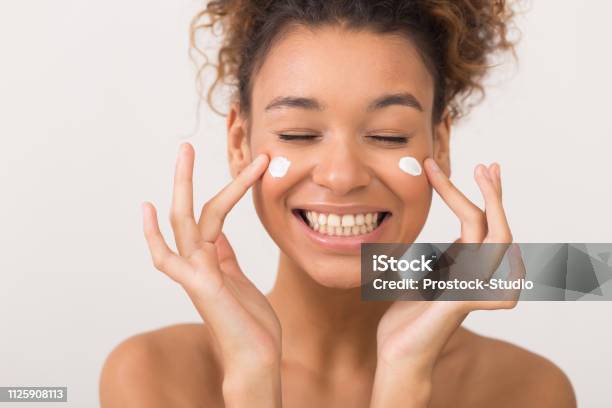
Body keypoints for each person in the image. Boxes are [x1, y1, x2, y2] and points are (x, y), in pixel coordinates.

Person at [100, 1, 576, 406]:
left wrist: (403, 376)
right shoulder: (152, 377)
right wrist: (252, 376)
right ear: (239, 141)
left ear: (440, 143)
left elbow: (583, 273)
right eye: (299, 134)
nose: (342, 176)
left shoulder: (529, 391)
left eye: (388, 135)